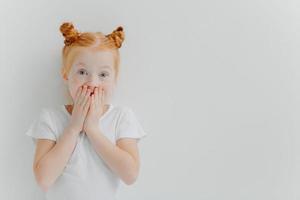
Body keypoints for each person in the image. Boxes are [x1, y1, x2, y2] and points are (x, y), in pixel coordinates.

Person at [25, 22, 148, 200]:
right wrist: (73, 128)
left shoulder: (121, 117)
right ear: (66, 75)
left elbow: (130, 175)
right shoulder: (51, 118)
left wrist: (93, 129)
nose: (92, 82)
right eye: (82, 72)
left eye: (103, 75)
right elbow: (44, 179)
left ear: (115, 79)